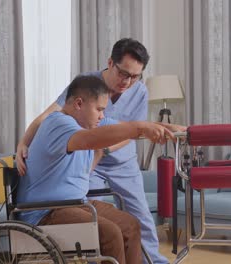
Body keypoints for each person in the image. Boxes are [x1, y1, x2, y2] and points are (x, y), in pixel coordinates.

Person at [17, 38, 183, 264]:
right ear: (78, 104)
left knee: (131, 225)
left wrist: (175, 129)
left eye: (135, 77)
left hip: (73, 201)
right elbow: (90, 140)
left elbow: (121, 129)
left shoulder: (91, 119)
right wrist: (22, 142)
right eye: (100, 110)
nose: (104, 115)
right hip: (47, 210)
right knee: (111, 232)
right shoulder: (61, 124)